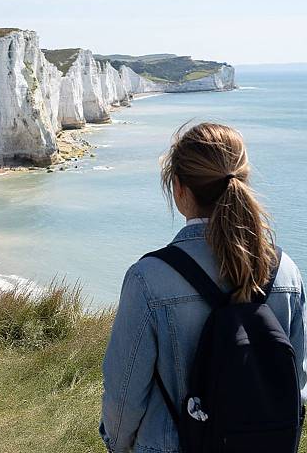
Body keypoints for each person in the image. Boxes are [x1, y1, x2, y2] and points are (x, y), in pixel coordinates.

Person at [100, 123, 306, 453]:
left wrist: (116, 446)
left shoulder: (148, 278)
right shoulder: (287, 272)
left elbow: (123, 398)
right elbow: (295, 379)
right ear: (243, 180)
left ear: (179, 189)